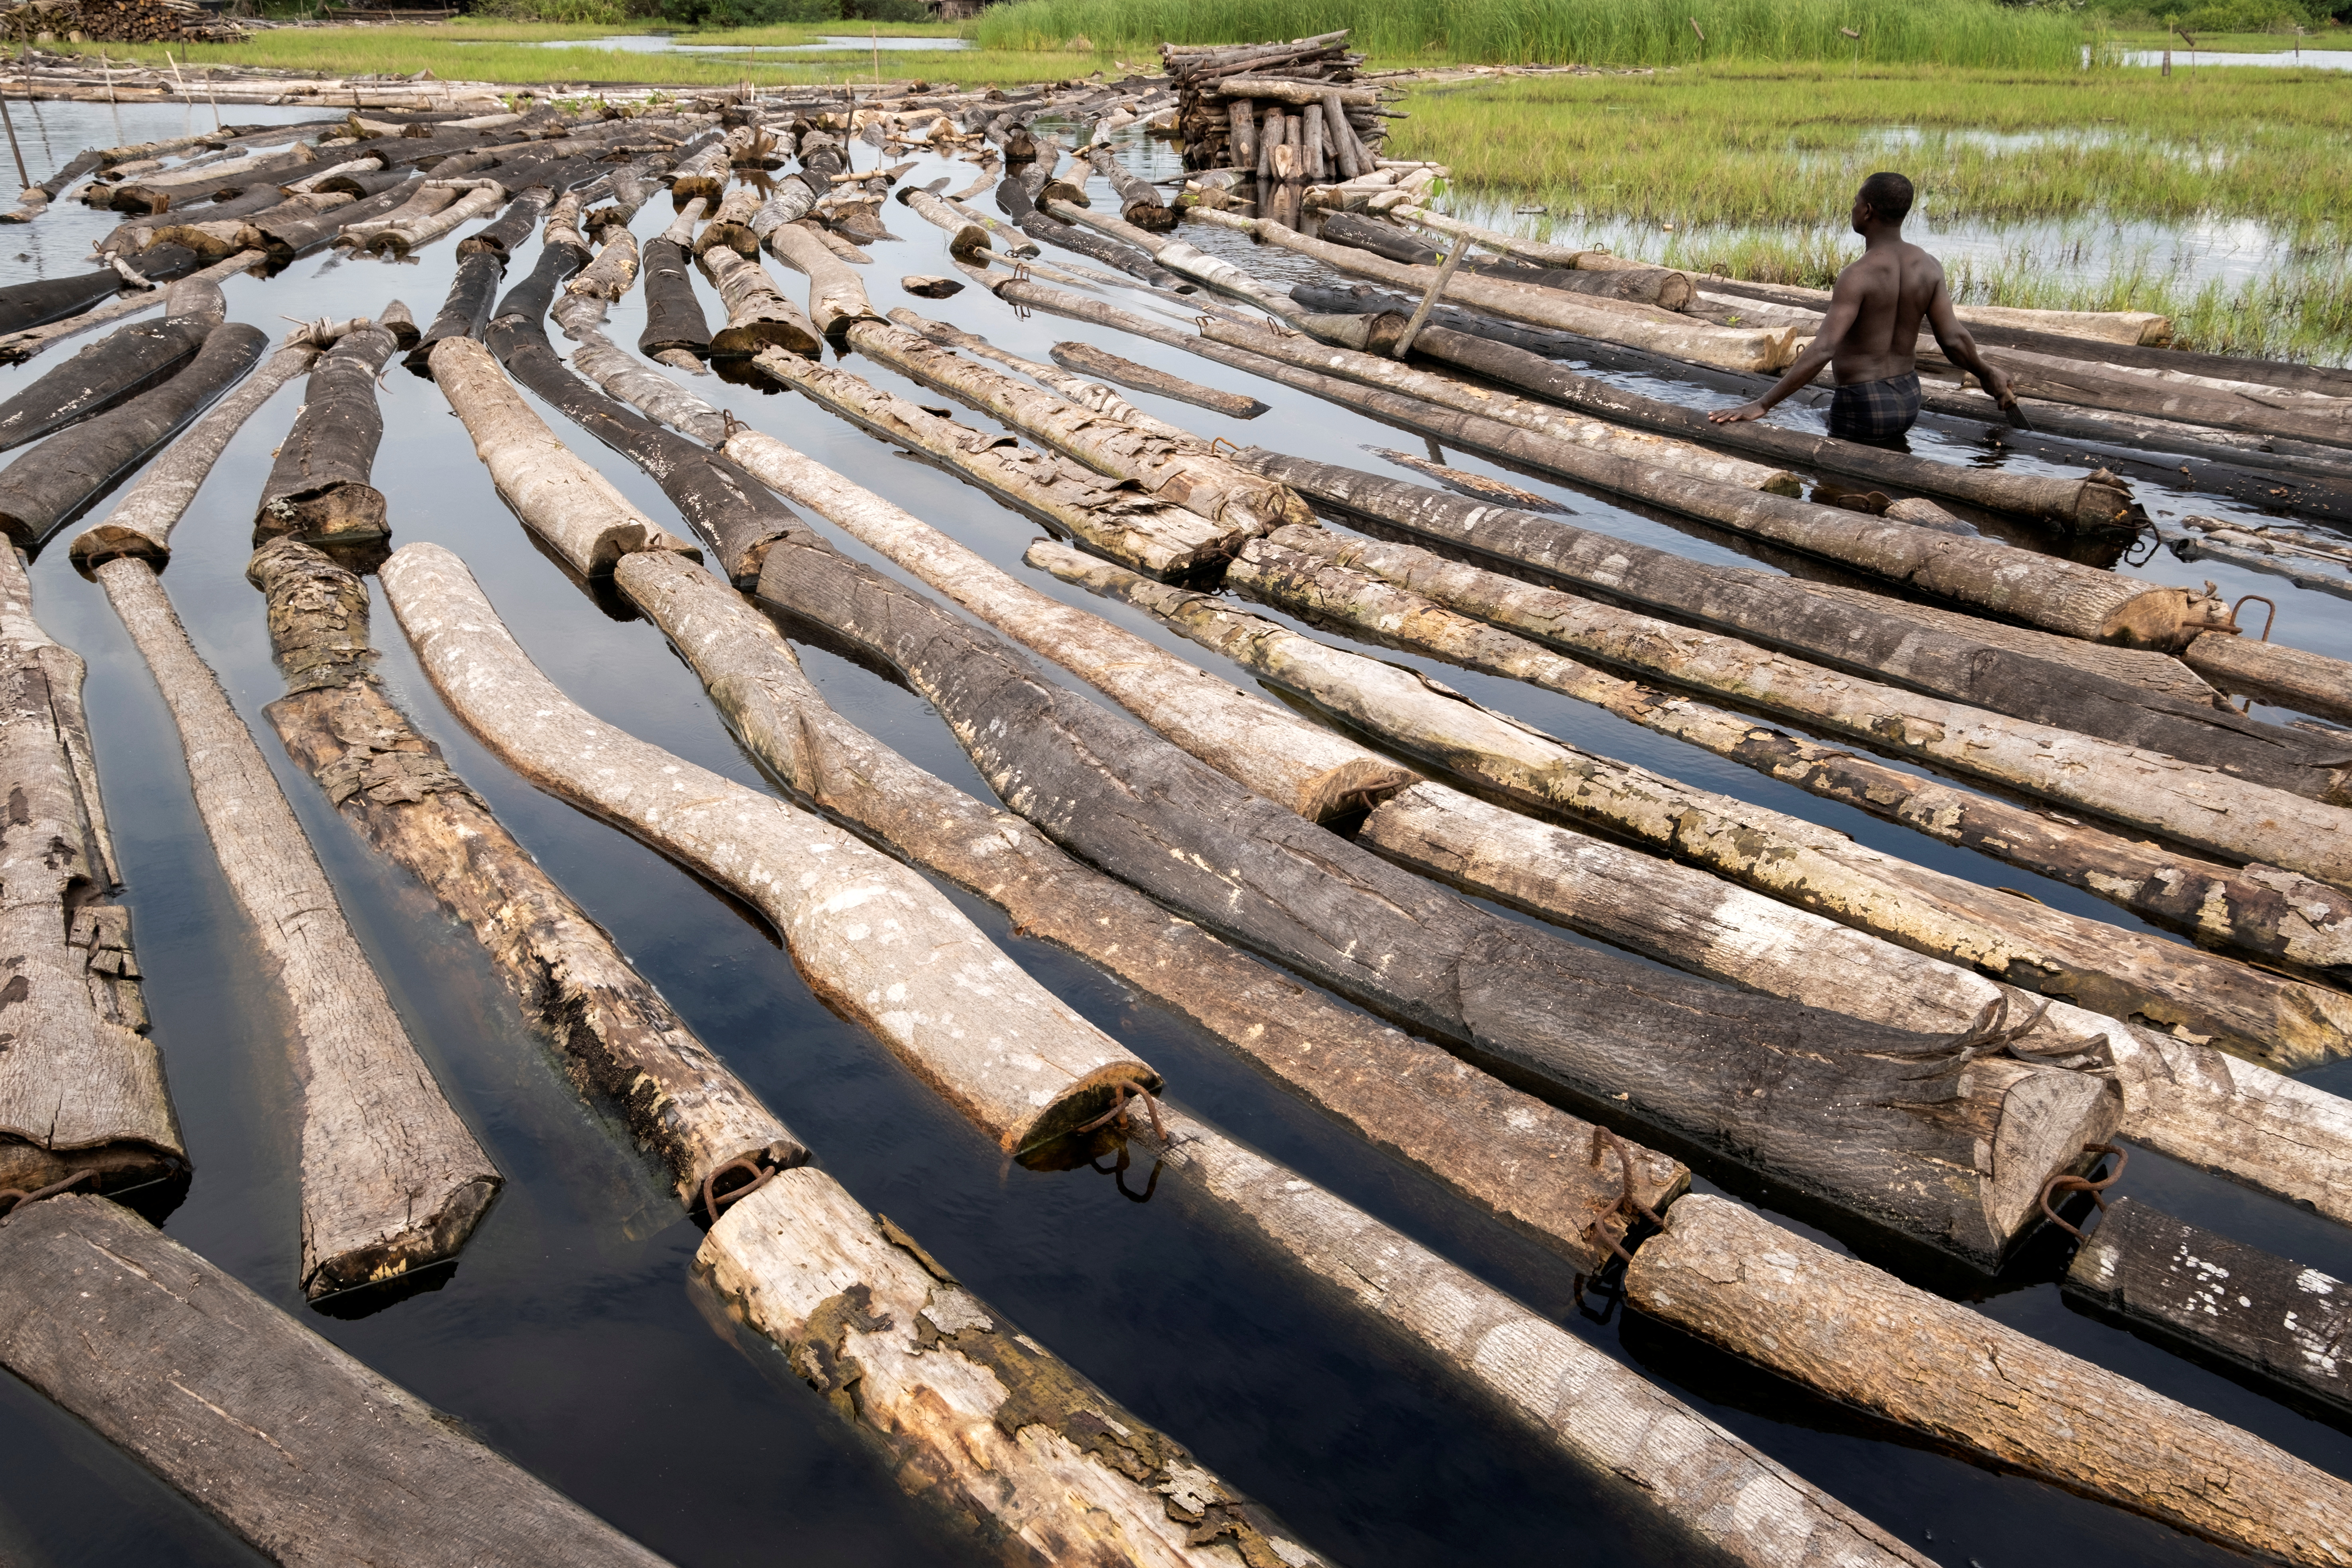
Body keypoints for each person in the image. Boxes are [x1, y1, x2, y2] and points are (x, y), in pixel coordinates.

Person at [1708, 172, 2018, 444]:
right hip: (1909, 401)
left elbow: (1823, 349)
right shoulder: (1930, 267)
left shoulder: (1857, 275)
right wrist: (1987, 373)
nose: (1853, 208)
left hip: (1863, 406)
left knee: (1832, 487)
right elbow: (1953, 340)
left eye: (1856, 202)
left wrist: (1762, 404)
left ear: (1867, 211)